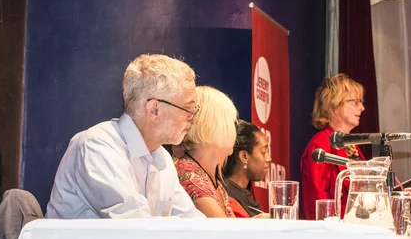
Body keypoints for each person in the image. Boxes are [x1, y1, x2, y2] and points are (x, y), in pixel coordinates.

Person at [46, 54, 204, 219]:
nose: (194, 117)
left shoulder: (161, 157)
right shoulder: (96, 147)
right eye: (189, 109)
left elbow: (192, 224)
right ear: (154, 109)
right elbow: (135, 228)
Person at [300, 73, 366, 220]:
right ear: (334, 104)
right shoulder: (321, 144)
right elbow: (316, 202)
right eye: (355, 102)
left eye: (360, 102)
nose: (362, 107)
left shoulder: (352, 146)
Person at [174, 86, 238, 218]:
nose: (235, 129)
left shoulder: (206, 176)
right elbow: (226, 234)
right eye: (232, 122)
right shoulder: (188, 175)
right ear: (215, 125)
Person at [222, 121, 271, 218]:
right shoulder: (227, 197)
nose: (269, 158)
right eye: (263, 152)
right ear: (244, 156)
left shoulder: (244, 195)